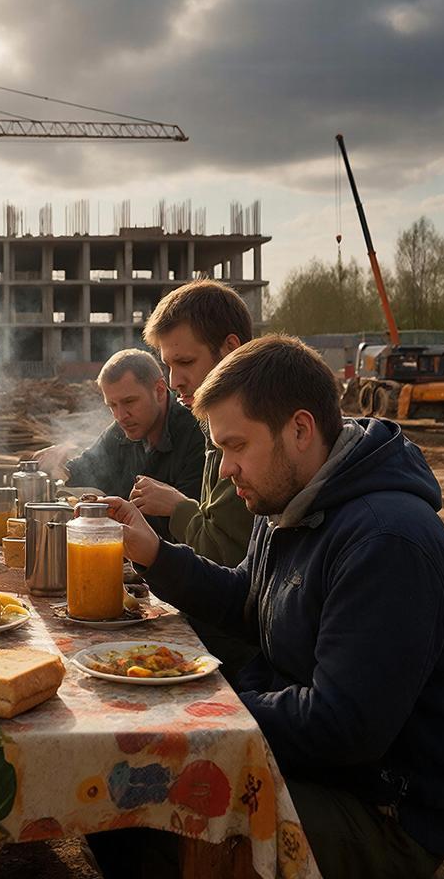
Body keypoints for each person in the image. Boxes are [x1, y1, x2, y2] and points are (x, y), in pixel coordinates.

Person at [102, 335, 444, 879]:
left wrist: (204, 712)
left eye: (236, 446)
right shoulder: (291, 499)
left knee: (135, 806)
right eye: (219, 450)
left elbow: (342, 725)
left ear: (300, 429)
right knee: (123, 790)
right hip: (320, 770)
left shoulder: (386, 543)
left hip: (379, 815)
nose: (226, 470)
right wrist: (157, 555)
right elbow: (250, 601)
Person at [134, 279, 258, 678]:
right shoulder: (210, 428)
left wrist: (175, 511)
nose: (173, 382)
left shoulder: (253, 435)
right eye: (167, 365)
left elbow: (224, 559)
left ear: (230, 350)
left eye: (185, 363)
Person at [37, 349, 203, 538]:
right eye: (112, 406)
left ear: (159, 390)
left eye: (129, 401)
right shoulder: (121, 431)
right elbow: (87, 469)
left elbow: (195, 529)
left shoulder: (196, 435)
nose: (121, 416)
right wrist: (60, 464)